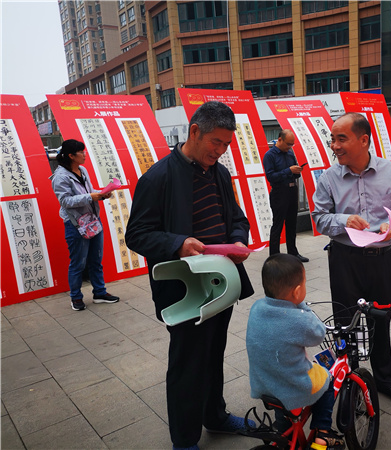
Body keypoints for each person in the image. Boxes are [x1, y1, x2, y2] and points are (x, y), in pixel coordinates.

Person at [125, 101, 255, 450]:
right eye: (216, 142)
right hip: (185, 290)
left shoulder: (219, 174)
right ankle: (184, 440)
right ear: (194, 131)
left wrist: (238, 240)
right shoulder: (159, 178)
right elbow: (136, 234)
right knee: (187, 363)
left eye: (226, 144)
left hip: (221, 283)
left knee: (213, 354)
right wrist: (178, 243)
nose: (221, 150)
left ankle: (215, 416)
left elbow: (236, 218)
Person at [312, 113, 391, 406]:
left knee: (381, 319)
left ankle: (385, 380)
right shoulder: (329, 178)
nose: (335, 146)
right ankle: (351, 383)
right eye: (332, 140)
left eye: (341, 139)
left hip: (381, 259)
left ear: (363, 140)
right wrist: (344, 220)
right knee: (345, 323)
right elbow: (318, 218)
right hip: (344, 260)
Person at [246, 254, 344, 450]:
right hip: (292, 383)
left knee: (282, 400)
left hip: (264, 382)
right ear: (297, 291)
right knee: (327, 379)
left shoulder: (257, 307)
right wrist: (301, 305)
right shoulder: (300, 320)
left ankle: (284, 432)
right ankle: (323, 432)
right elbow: (319, 334)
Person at [51, 139, 120, 311]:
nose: (84, 155)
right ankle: (76, 297)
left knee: (96, 260)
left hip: (93, 220)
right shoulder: (60, 177)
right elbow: (65, 201)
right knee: (78, 263)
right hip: (76, 224)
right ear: (71, 156)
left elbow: (88, 192)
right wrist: (90, 197)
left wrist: (101, 194)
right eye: (81, 152)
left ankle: (100, 293)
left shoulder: (82, 170)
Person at [263, 129, 309, 262]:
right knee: (277, 225)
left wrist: (297, 171)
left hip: (292, 190)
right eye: (288, 144)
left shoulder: (290, 154)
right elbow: (270, 176)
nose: (290, 147)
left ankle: (293, 252)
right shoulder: (270, 155)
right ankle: (274, 256)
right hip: (279, 192)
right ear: (280, 140)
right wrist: (289, 170)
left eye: (292, 144)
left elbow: (293, 173)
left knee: (292, 224)